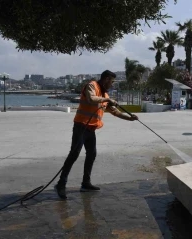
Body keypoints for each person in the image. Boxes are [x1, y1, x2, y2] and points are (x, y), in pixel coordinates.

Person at [54, 70, 138, 199]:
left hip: (91, 129)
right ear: (106, 79)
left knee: (92, 154)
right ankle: (61, 184)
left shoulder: (104, 94)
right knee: (74, 154)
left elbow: (115, 112)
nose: (112, 84)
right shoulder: (92, 85)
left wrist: (129, 118)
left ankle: (86, 183)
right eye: (111, 81)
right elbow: (91, 98)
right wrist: (107, 99)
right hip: (81, 127)